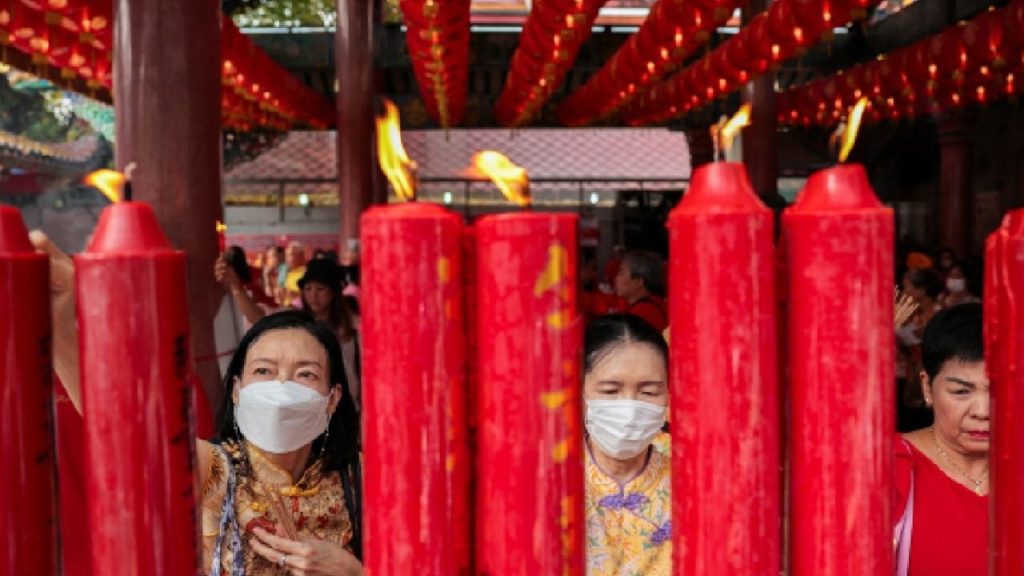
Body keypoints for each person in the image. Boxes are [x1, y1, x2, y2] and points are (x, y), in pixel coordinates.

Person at [31, 233, 364, 576]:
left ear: (333, 397)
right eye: (264, 371)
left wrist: (356, 572)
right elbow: (126, 428)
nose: (281, 388)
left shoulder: (361, 480)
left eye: (305, 374)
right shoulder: (215, 470)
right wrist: (61, 330)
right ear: (237, 390)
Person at [893, 303, 988, 576]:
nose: (982, 411)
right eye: (961, 392)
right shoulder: (892, 465)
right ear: (927, 387)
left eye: (999, 391)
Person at [583, 314, 671, 575]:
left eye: (648, 392)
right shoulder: (550, 483)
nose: (630, 409)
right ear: (579, 390)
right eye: (610, 391)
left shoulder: (694, 483)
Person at [299, 260, 362, 413]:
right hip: (310, 407)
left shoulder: (352, 326)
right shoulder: (298, 325)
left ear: (334, 292)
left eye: (320, 289)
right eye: (308, 289)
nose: (313, 295)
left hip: (346, 407)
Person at [613, 250, 668, 332]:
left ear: (638, 282)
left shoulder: (641, 313)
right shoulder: (654, 304)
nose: (616, 279)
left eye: (621, 273)